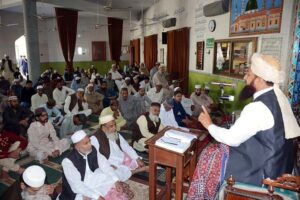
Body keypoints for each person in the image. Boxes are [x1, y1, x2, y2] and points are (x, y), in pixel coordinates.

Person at [187, 53, 300, 199]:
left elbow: (232, 138)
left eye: (248, 74)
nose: (245, 78)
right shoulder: (279, 97)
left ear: (259, 79)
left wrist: (209, 125)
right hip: (278, 166)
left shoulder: (258, 107)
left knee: (210, 154)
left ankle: (202, 195)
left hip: (262, 177)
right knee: (216, 150)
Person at [58, 130, 132, 200]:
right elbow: (77, 186)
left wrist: (116, 181)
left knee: (115, 174)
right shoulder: (68, 162)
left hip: (92, 177)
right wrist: (97, 196)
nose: (90, 144)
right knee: (88, 196)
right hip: (80, 185)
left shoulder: (92, 149)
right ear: (77, 146)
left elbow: (104, 164)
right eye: (86, 143)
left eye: (89, 141)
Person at [91, 115, 147, 181]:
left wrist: (137, 159)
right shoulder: (95, 138)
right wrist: (109, 165)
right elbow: (95, 156)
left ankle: (130, 168)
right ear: (103, 127)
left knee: (136, 159)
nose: (115, 128)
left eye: (115, 125)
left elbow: (126, 146)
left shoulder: (115, 133)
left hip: (122, 158)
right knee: (112, 175)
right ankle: (135, 171)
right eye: (111, 126)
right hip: (110, 162)